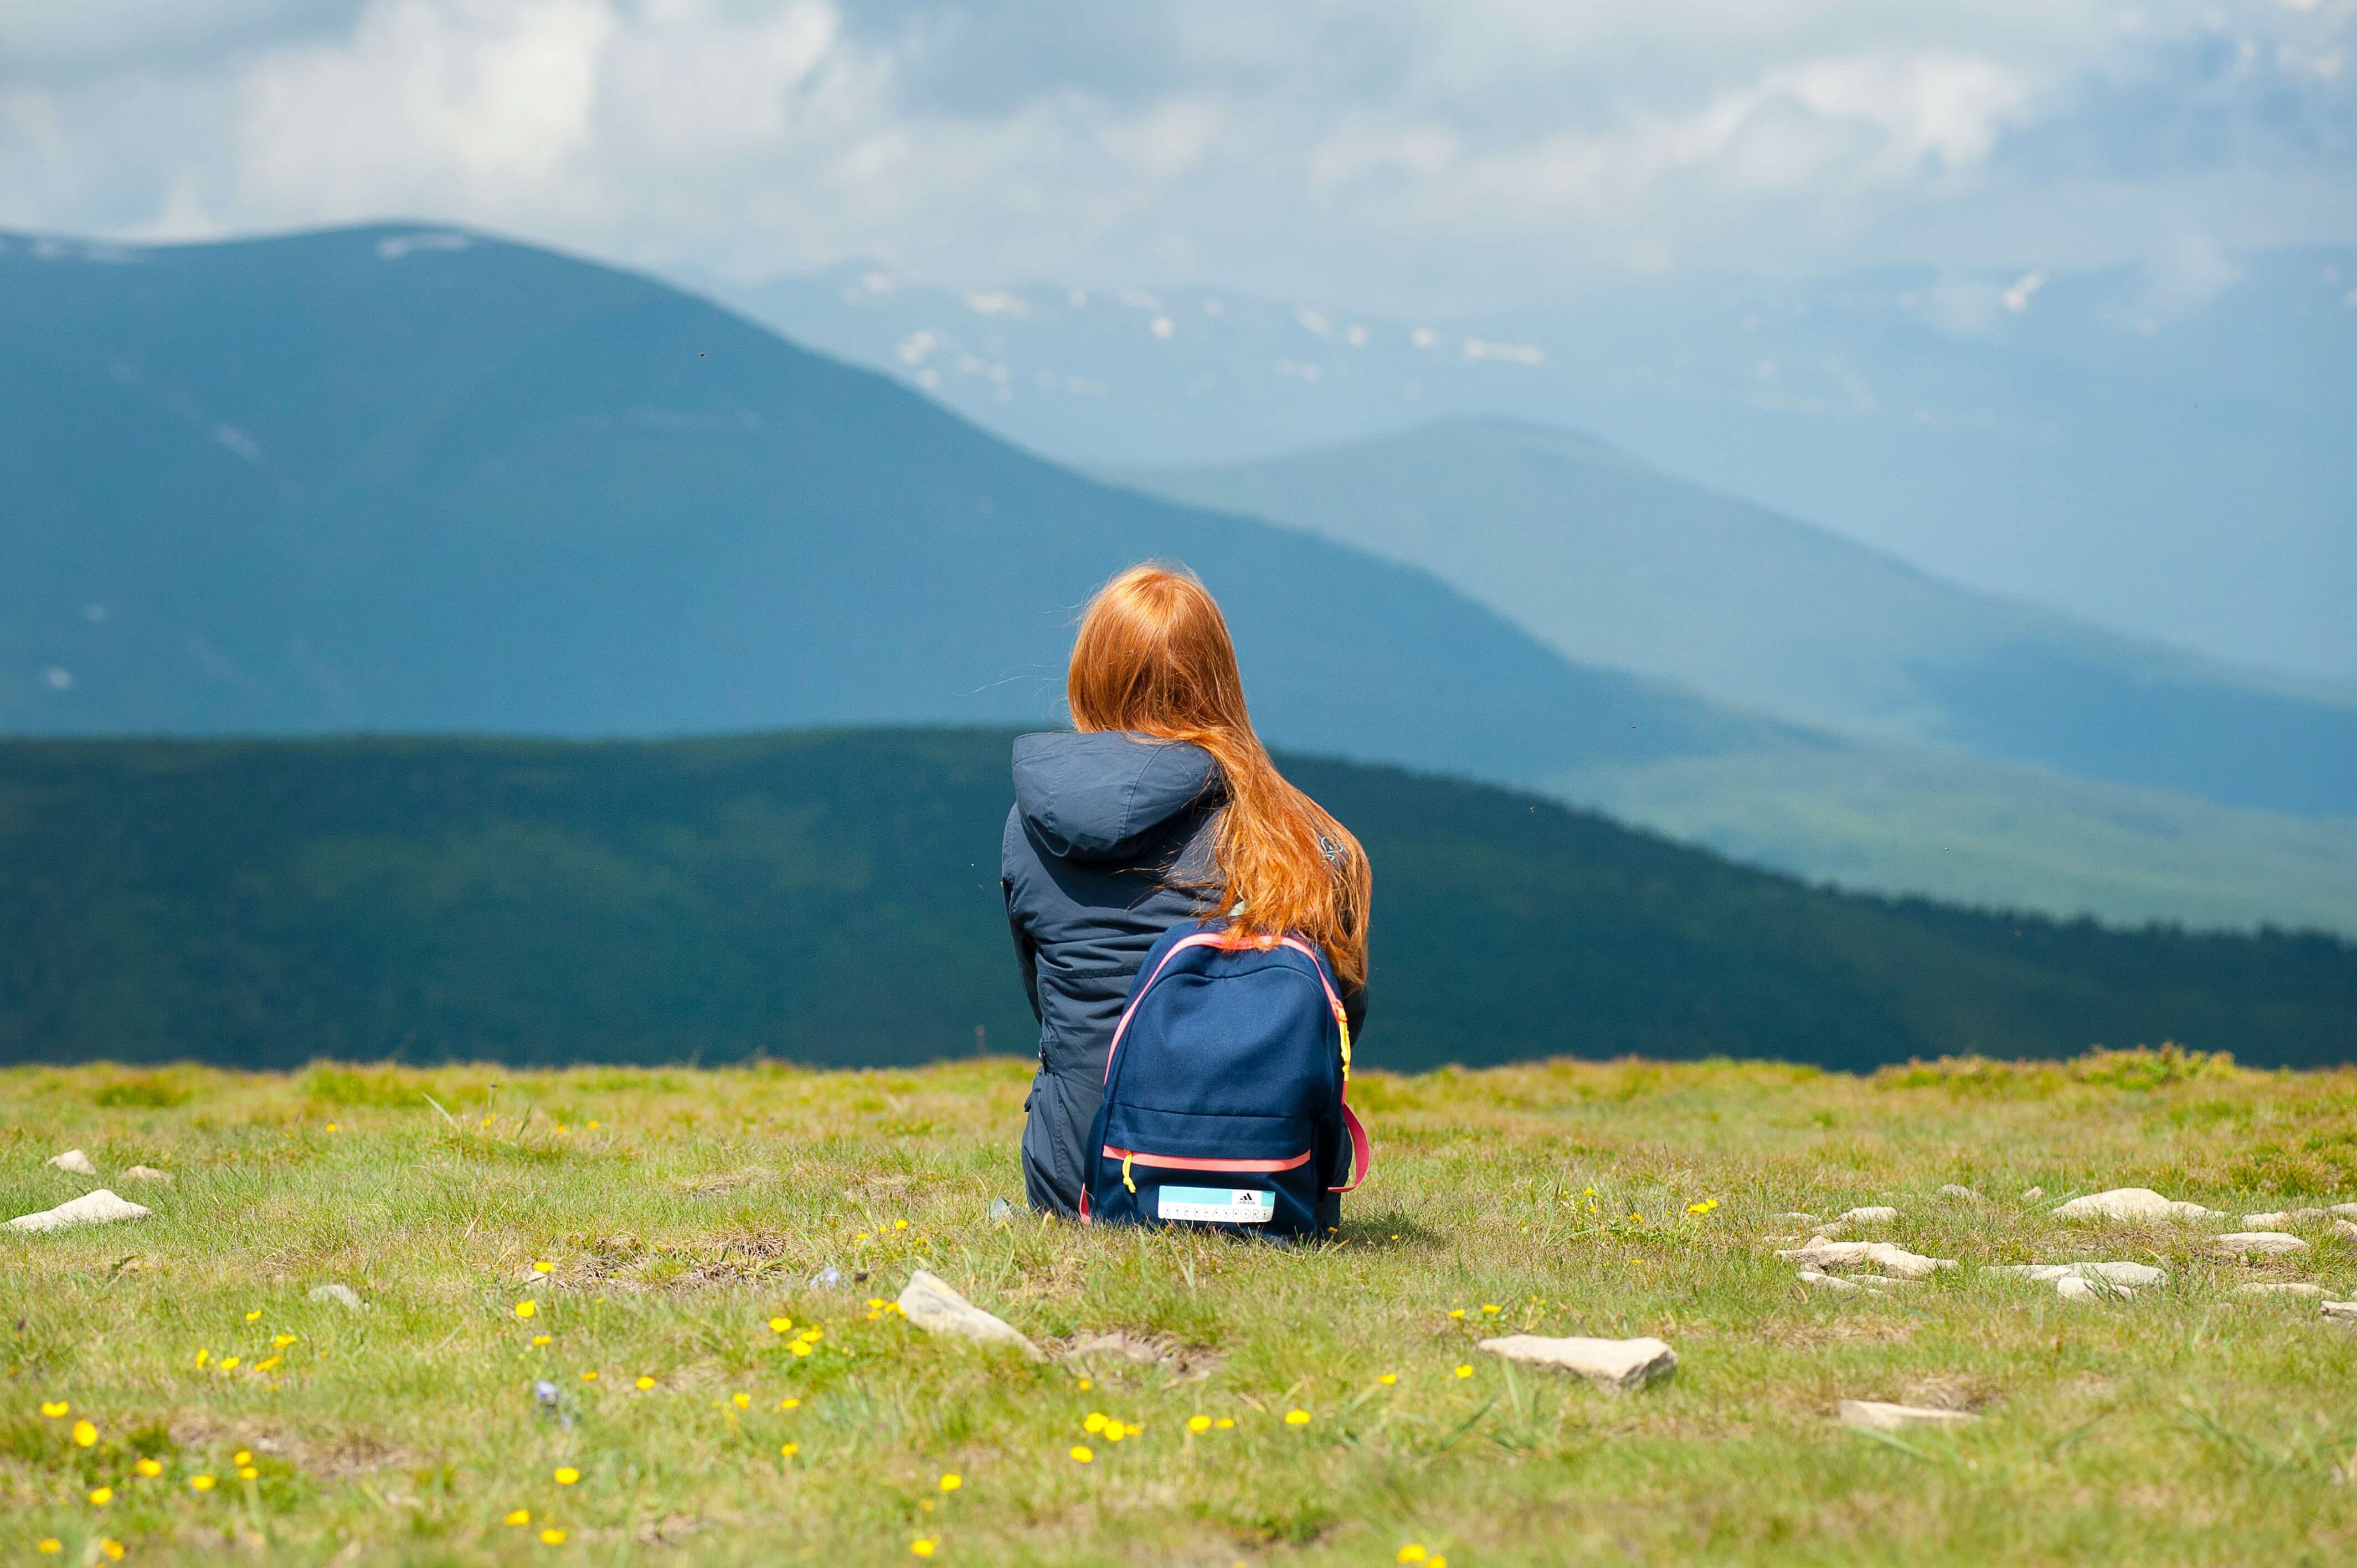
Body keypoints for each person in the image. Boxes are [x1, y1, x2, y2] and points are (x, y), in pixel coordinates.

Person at [1001, 562, 1371, 1217]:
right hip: (1264, 1184)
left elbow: (1051, 1013)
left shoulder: (1033, 826)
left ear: (1090, 674)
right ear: (1220, 679)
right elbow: (1338, 1023)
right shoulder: (1299, 836)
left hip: (1078, 1185)